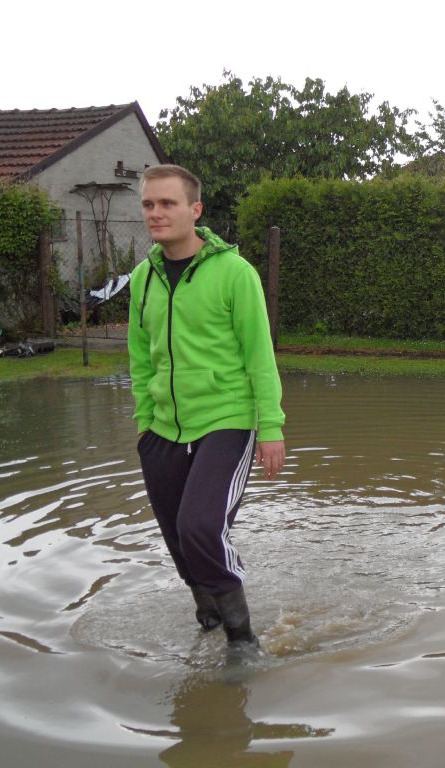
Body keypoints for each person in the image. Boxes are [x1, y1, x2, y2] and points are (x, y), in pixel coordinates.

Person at [128, 164, 285, 652]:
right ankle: (210, 618)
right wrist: (144, 422)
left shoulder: (235, 274)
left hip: (226, 420)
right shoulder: (143, 278)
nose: (156, 213)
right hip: (162, 427)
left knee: (200, 527)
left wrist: (271, 427)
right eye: (149, 204)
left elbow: (259, 354)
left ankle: (242, 638)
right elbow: (140, 356)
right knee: (178, 540)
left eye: (167, 203)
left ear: (195, 210)